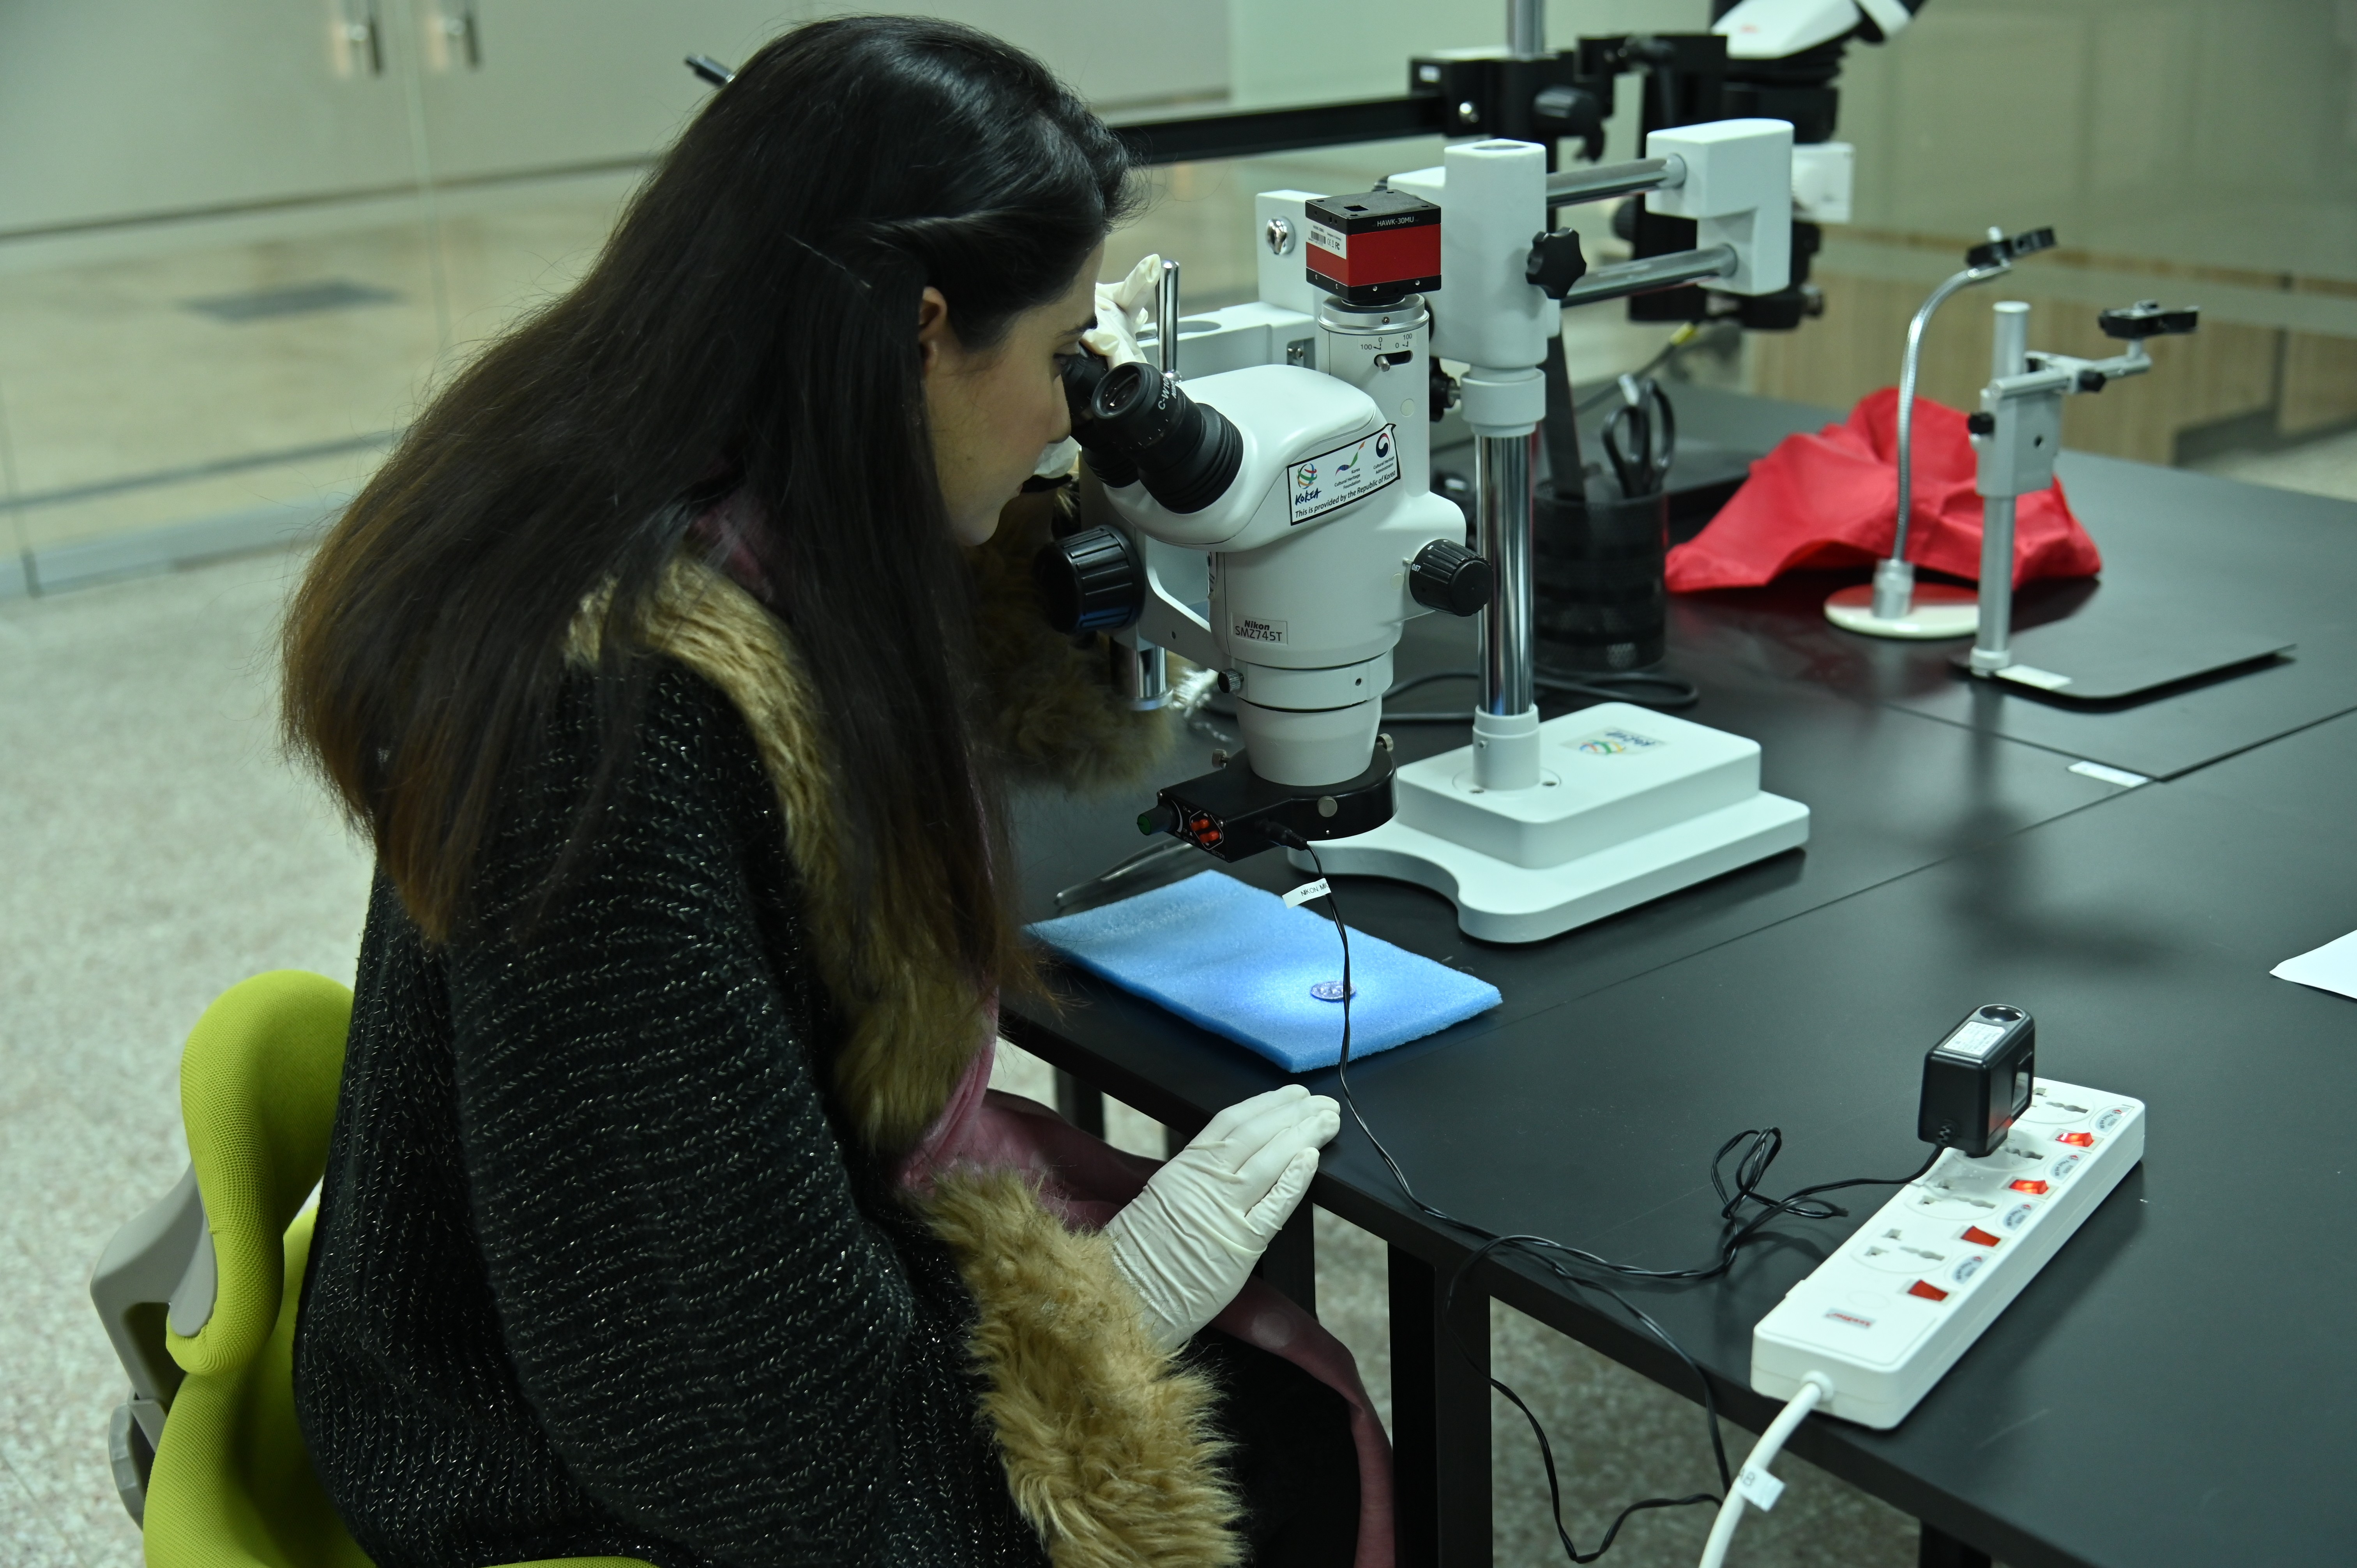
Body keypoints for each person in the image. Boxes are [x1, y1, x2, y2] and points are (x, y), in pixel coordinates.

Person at [280, 16, 1387, 1568]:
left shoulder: (715, 503)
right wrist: (1112, 1312)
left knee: (1279, 1402)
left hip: (681, 1293)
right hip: (558, 1454)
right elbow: (740, 1435)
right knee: (1287, 1456)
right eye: (1064, 351)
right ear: (922, 332)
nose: (1086, 404)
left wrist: (1040, 535)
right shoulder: (616, 726)